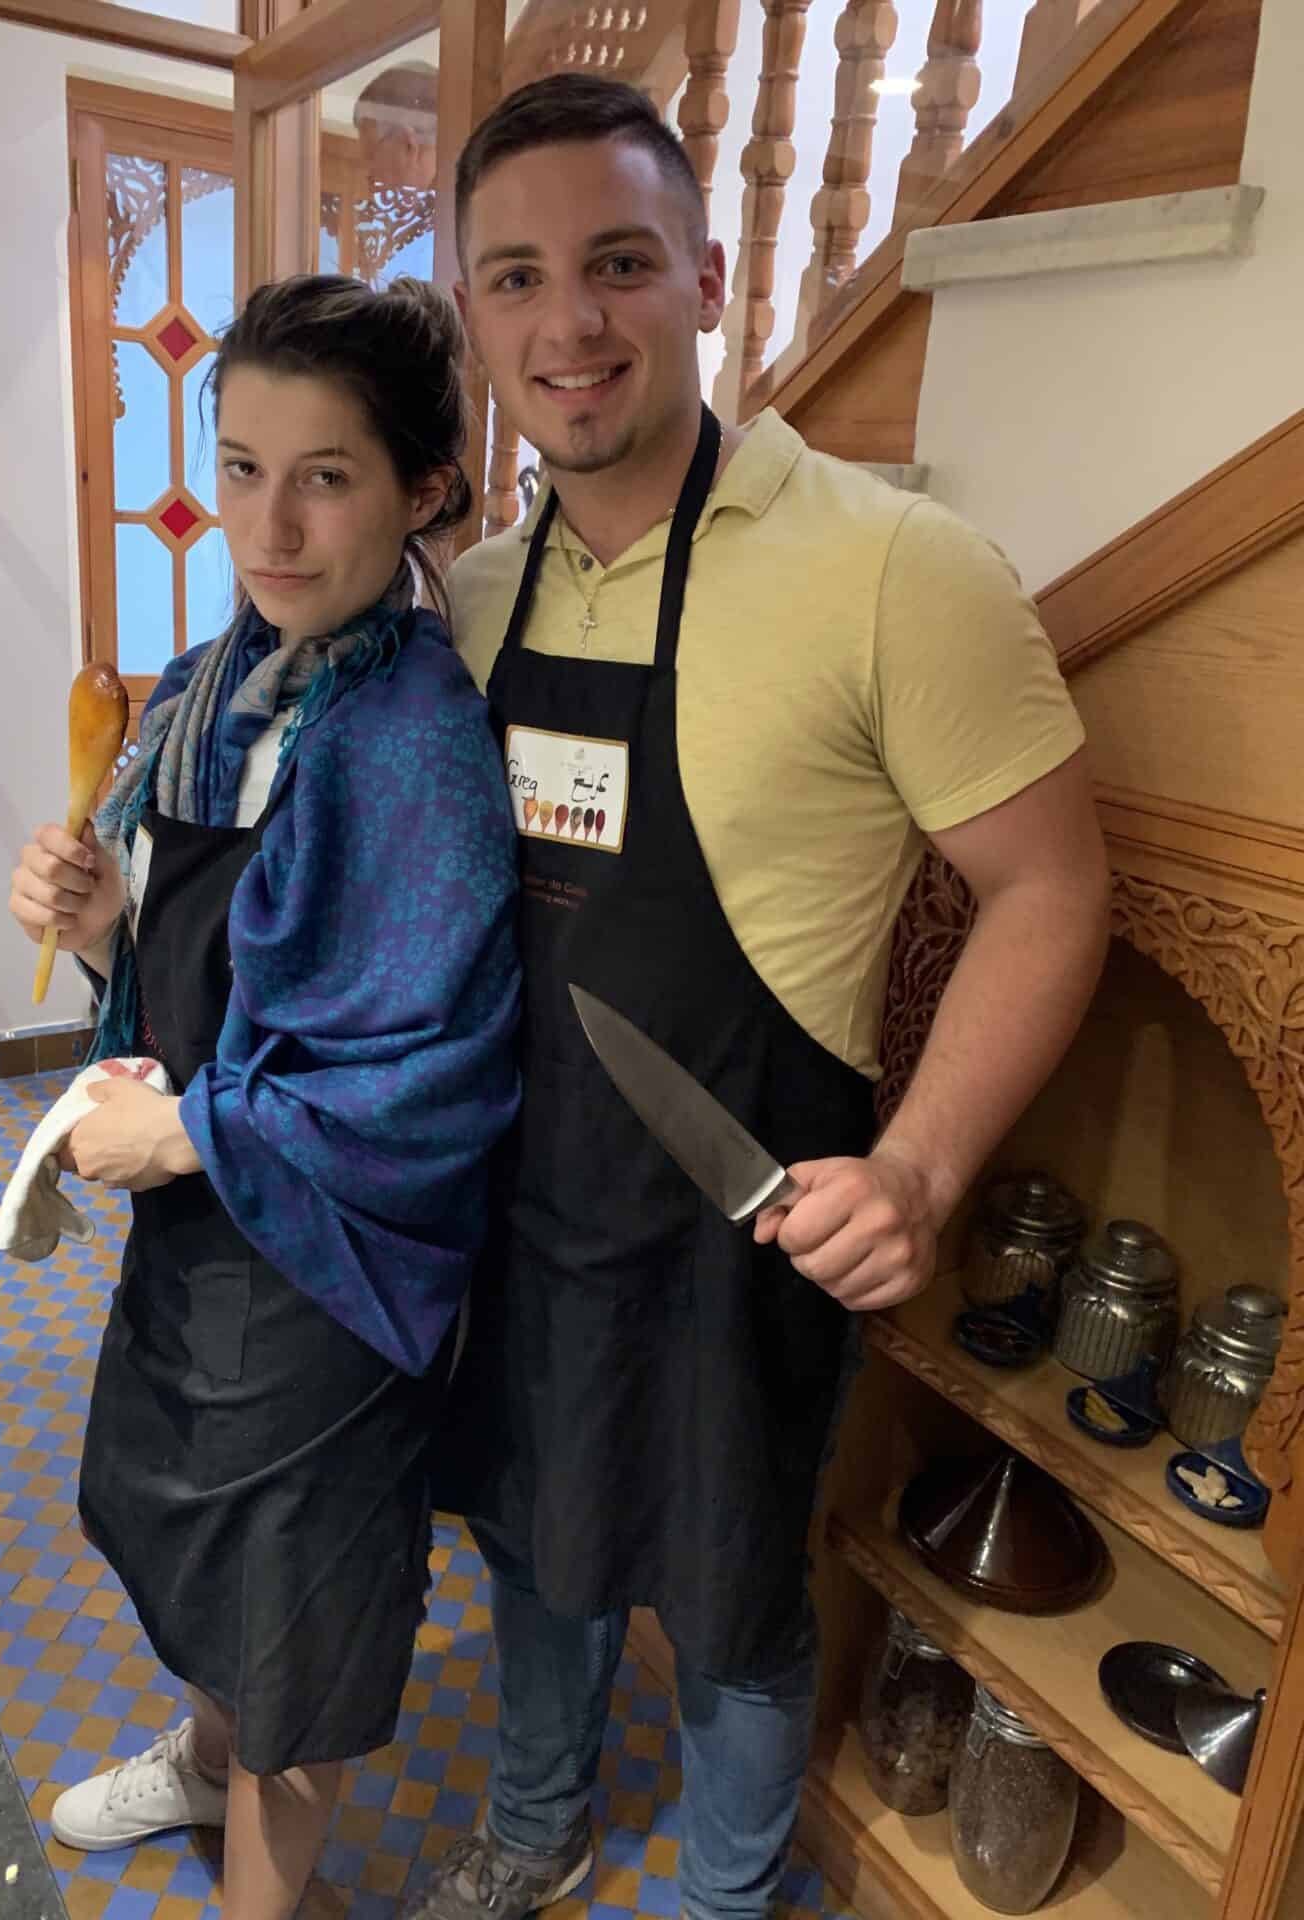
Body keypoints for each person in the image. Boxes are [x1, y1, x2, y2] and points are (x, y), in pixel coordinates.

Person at [417, 75, 1111, 1920]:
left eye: (620, 263)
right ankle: (537, 1818)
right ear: (474, 315)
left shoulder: (895, 569)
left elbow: (1050, 892)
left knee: (732, 1595)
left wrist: (923, 1175)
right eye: (518, 280)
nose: (571, 324)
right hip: (519, 1196)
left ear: (708, 276)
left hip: (752, 1220)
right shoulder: (475, 601)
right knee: (533, 1539)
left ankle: (726, 1895)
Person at [7, 274, 520, 1920]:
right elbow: (205, 970)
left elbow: (434, 1074)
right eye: (240, 468)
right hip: (204, 1225)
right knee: (190, 1534)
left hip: (331, 1257)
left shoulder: (415, 738)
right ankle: (206, 1760)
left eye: (327, 476)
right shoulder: (214, 684)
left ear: (422, 489)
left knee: (300, 1597)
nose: (271, 526)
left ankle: (259, 1893)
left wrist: (190, 1130)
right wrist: (105, 933)